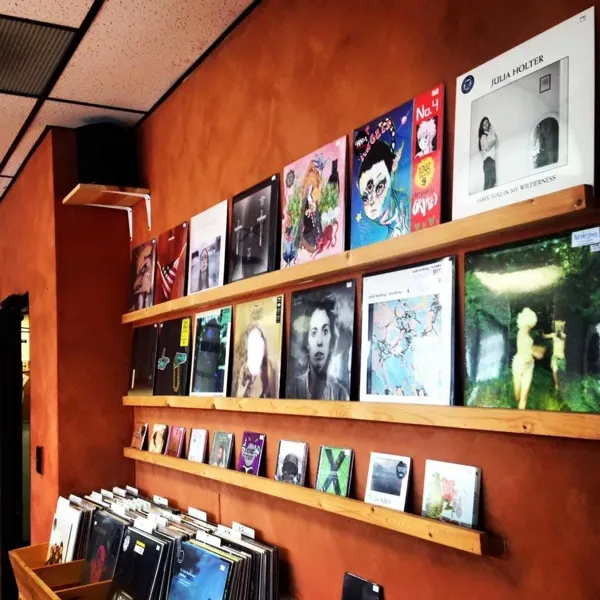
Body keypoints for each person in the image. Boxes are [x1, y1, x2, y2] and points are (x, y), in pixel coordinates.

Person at [288, 295, 349, 400]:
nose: (319, 342)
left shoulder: (341, 394)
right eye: (314, 332)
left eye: (325, 331)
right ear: (307, 342)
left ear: (331, 340)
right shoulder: (294, 389)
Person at [357, 139, 409, 238]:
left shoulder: (411, 207)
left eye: (379, 188)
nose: (372, 203)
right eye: (365, 198)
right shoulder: (390, 237)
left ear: (392, 171)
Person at [512, 307, 545, 409]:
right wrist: (534, 351)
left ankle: (521, 414)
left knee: (524, 397)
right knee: (517, 395)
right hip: (519, 364)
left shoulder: (527, 332)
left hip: (529, 365)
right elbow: (523, 347)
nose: (531, 326)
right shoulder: (521, 332)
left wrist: (536, 350)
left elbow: (529, 347)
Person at [233, 324, 277, 398]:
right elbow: (238, 397)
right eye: (252, 342)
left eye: (259, 342)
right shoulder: (243, 369)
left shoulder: (269, 369)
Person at [543, 320, 567, 392]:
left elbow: (560, 336)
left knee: (562, 374)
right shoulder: (553, 335)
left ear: (562, 328)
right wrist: (542, 333)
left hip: (562, 358)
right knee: (554, 370)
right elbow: (545, 336)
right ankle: (556, 385)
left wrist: (558, 331)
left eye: (560, 327)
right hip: (555, 357)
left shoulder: (564, 335)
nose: (558, 328)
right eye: (557, 327)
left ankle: (563, 386)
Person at [478, 116, 497, 190]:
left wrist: (491, 128)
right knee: (488, 183)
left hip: (492, 160)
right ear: (482, 127)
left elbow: (494, 137)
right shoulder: (483, 136)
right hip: (488, 161)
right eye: (484, 124)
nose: (486, 125)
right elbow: (487, 148)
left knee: (492, 181)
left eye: (487, 123)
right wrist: (494, 141)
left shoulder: (490, 134)